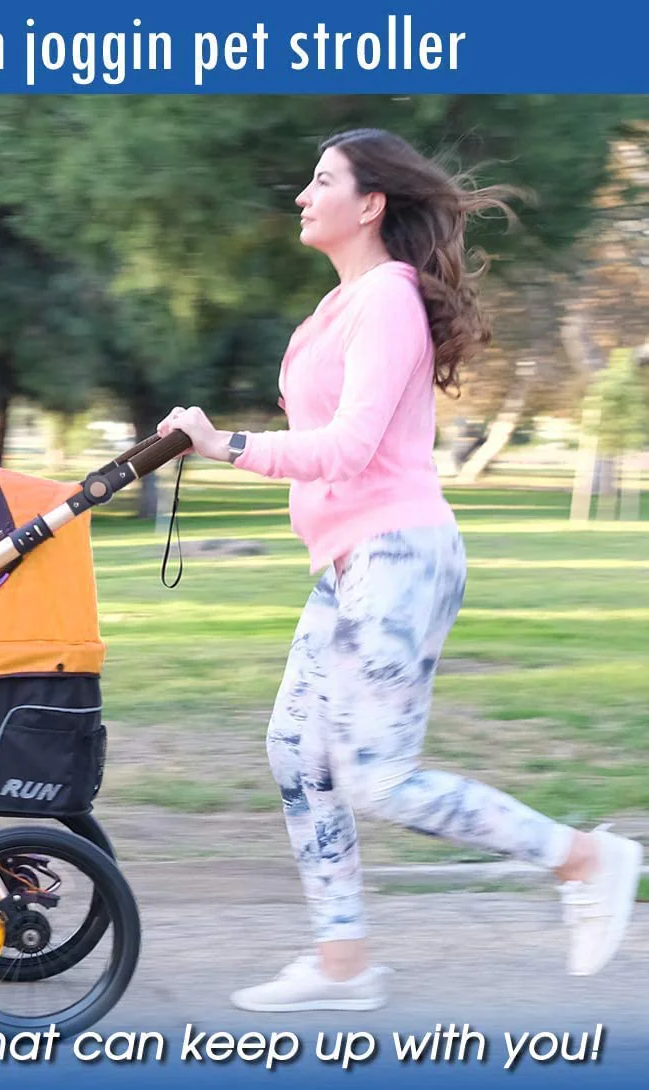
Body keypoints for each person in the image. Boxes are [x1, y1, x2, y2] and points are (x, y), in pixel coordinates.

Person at [157, 128, 643, 1013]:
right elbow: (320, 436)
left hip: (399, 556)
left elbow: (348, 446)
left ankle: (584, 859)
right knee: (296, 751)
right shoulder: (333, 309)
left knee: (378, 777)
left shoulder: (387, 297)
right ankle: (344, 964)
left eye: (322, 181)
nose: (303, 196)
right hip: (350, 564)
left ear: (370, 203)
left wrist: (224, 445)